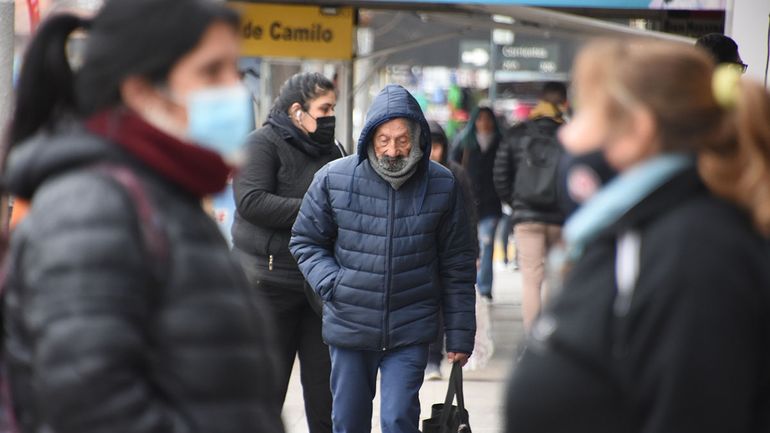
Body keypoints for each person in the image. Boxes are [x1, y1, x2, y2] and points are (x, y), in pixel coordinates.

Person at [1, 1, 285, 433]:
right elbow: (96, 411)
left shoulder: (165, 196)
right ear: (141, 90)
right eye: (211, 72)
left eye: (235, 70)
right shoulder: (92, 209)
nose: (234, 89)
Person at [506, 39, 770, 432]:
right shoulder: (638, 231)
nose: (566, 137)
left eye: (585, 116)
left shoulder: (694, 255)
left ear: (637, 130)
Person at [290, 84, 476, 433]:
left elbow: (457, 262)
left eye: (403, 140)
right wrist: (334, 283)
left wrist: (461, 334)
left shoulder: (442, 184)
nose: (393, 150)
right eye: (384, 139)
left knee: (398, 419)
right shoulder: (334, 178)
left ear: (418, 136)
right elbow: (304, 240)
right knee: (347, 422)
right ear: (369, 137)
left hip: (411, 324)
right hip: (350, 322)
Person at [232, 72, 341, 433]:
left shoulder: (335, 152)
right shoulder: (261, 143)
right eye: (323, 109)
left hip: (318, 289)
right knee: (266, 395)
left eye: (332, 109)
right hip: (268, 286)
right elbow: (252, 202)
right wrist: (316, 208)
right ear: (297, 111)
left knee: (326, 398)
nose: (330, 117)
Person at [493, 82, 568, 330]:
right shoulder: (569, 135)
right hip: (559, 217)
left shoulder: (517, 134)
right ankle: (551, 334)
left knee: (531, 279)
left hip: (526, 217)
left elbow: (500, 174)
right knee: (552, 278)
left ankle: (532, 340)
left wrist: (515, 204)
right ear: (562, 104)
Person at [424, 120, 478, 381]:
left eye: (437, 146)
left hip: (450, 252)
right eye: (429, 146)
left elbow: (469, 214)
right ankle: (430, 358)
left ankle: (435, 358)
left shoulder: (456, 174)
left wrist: (474, 251)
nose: (434, 152)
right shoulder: (416, 173)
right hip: (424, 253)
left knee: (445, 307)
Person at [451, 106, 503, 300]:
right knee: (469, 246)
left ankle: (485, 287)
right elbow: (453, 169)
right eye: (480, 118)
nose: (484, 122)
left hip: (491, 205)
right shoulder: (464, 142)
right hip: (467, 203)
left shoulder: (501, 143)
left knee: (487, 245)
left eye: (488, 118)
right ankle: (469, 282)